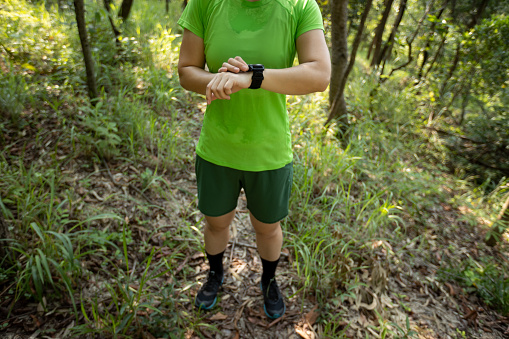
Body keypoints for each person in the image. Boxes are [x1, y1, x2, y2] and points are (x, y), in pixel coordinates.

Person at [177, 0, 330, 319]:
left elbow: (319, 74)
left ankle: (269, 280)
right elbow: (186, 70)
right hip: (218, 147)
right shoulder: (205, 4)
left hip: (269, 152)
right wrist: (219, 81)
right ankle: (215, 274)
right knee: (216, 222)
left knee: (268, 228)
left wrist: (252, 77)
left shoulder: (301, 6)